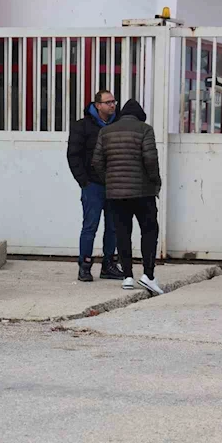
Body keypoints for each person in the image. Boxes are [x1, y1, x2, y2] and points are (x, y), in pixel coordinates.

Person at [92, 99, 164, 296]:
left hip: (116, 194)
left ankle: (127, 277)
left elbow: (97, 161)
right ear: (140, 115)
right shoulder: (145, 129)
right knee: (149, 231)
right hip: (143, 192)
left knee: (122, 233)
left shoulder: (106, 131)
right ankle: (148, 275)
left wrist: (109, 179)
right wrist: (155, 181)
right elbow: (150, 159)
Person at [66, 90, 124, 282]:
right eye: (107, 102)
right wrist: (83, 180)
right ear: (97, 105)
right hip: (92, 185)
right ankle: (85, 265)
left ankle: (109, 265)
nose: (112, 105)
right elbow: (73, 155)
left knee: (113, 227)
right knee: (90, 226)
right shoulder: (82, 127)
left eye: (113, 102)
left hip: (114, 183)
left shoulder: (118, 124)